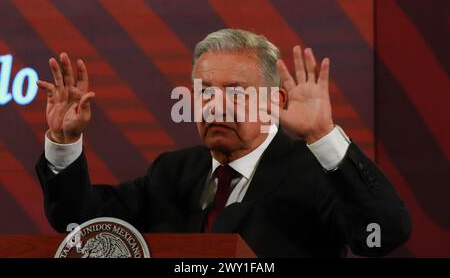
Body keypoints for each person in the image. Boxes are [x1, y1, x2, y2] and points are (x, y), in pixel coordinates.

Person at [35, 29, 411, 257]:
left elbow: (382, 236)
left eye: (236, 93)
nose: (216, 106)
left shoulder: (313, 173)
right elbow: (80, 223)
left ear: (276, 102)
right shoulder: (172, 170)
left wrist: (322, 135)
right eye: (206, 92)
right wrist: (65, 141)